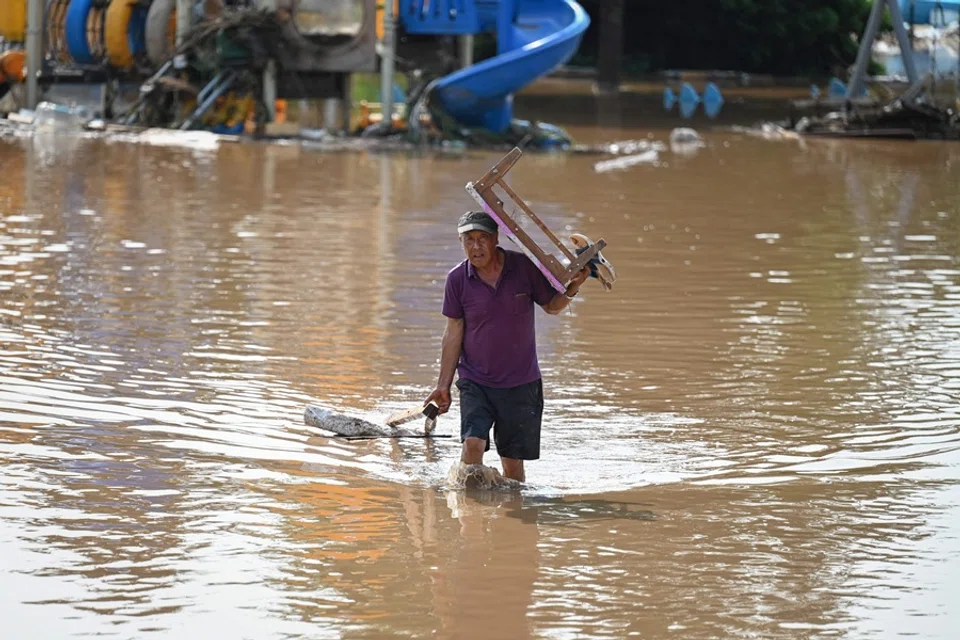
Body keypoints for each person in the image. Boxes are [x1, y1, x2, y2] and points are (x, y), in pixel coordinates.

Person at [424, 210, 590, 483]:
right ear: (461, 242)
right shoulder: (457, 280)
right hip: (476, 379)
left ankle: (512, 518)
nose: (475, 247)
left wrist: (574, 286)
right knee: (472, 445)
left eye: (482, 238)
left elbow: (551, 306)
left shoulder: (523, 267)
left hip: (521, 382)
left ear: (496, 239)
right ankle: (469, 519)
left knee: (512, 470)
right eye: (469, 240)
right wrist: (443, 385)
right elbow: (453, 333)